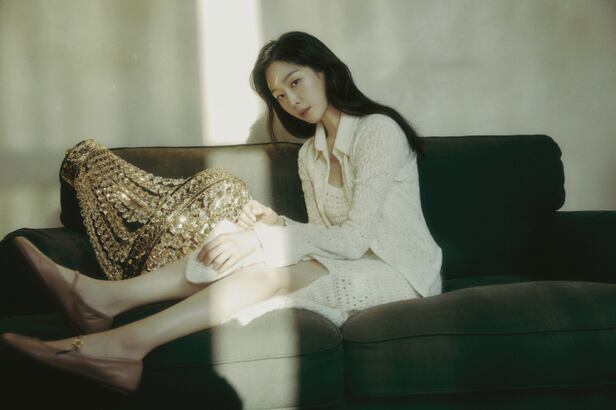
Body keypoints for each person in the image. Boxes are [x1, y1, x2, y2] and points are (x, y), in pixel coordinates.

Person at [0, 31, 443, 394]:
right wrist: (276, 224)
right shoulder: (310, 155)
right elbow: (325, 233)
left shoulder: (378, 130)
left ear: (323, 71)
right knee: (236, 239)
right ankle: (108, 302)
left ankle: (120, 339)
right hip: (348, 259)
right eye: (279, 94)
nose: (290, 100)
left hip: (400, 272)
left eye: (295, 82)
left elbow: (354, 239)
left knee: (264, 266)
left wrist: (263, 240)